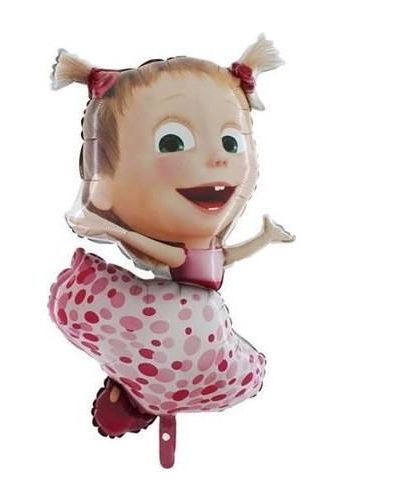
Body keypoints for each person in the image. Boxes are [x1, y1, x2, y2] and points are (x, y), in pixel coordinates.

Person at [48, 34, 294, 466]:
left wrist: (264, 237)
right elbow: (156, 249)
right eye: (173, 142)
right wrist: (106, 224)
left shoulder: (204, 252)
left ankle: (152, 394)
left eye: (231, 143)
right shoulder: (182, 262)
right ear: (105, 186)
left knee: (89, 302)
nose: (218, 160)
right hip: (193, 324)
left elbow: (225, 256)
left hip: (195, 327)